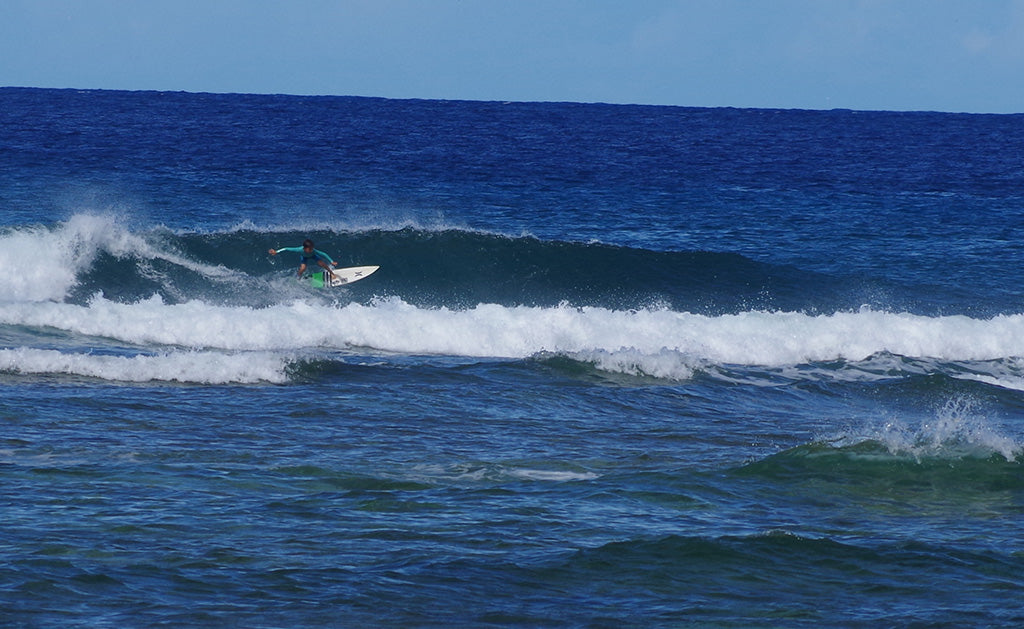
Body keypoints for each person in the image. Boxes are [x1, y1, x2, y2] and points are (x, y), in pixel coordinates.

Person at [269, 239, 338, 279]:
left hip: (313, 256)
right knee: (302, 268)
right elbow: (286, 249)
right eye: (310, 249)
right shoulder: (299, 250)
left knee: (322, 263)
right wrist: (276, 251)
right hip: (304, 257)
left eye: (312, 248)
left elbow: (323, 254)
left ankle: (331, 273)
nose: (311, 249)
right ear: (304, 248)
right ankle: (299, 277)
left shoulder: (313, 251)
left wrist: (331, 261)